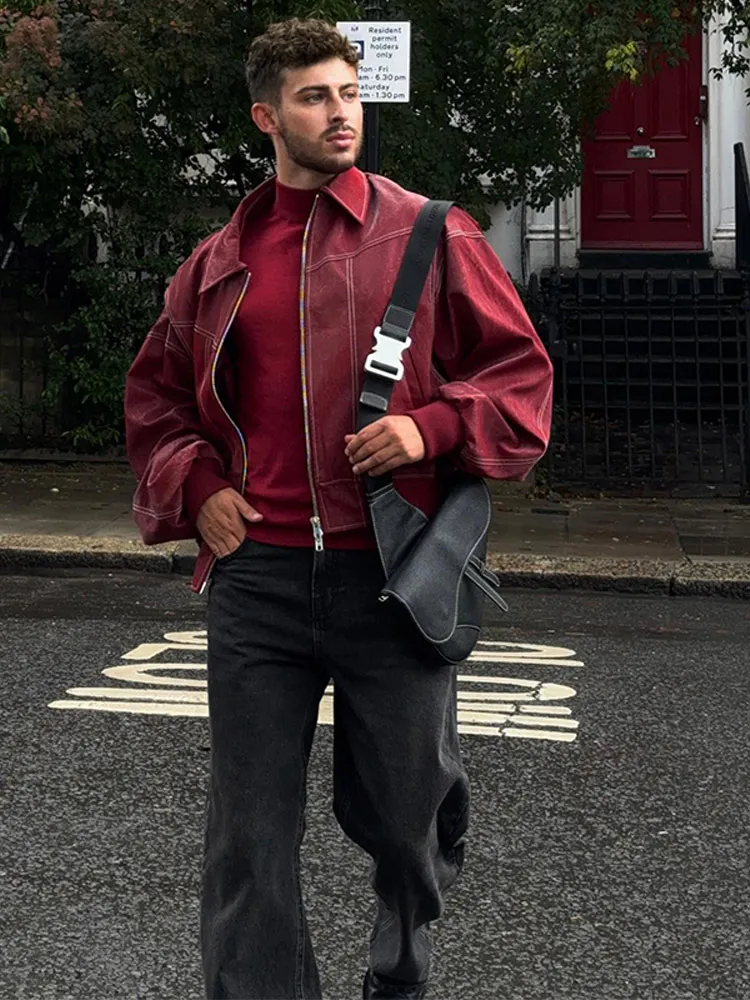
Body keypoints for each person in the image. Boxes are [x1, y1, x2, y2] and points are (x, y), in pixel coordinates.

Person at [124, 17, 553, 1000]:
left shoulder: (429, 234)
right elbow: (154, 398)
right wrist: (197, 487)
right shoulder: (218, 260)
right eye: (316, 98)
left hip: (389, 580)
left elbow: (521, 378)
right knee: (249, 836)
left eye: (349, 94)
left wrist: (431, 429)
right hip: (259, 586)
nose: (341, 113)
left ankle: (399, 969)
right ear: (266, 116)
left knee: (409, 816)